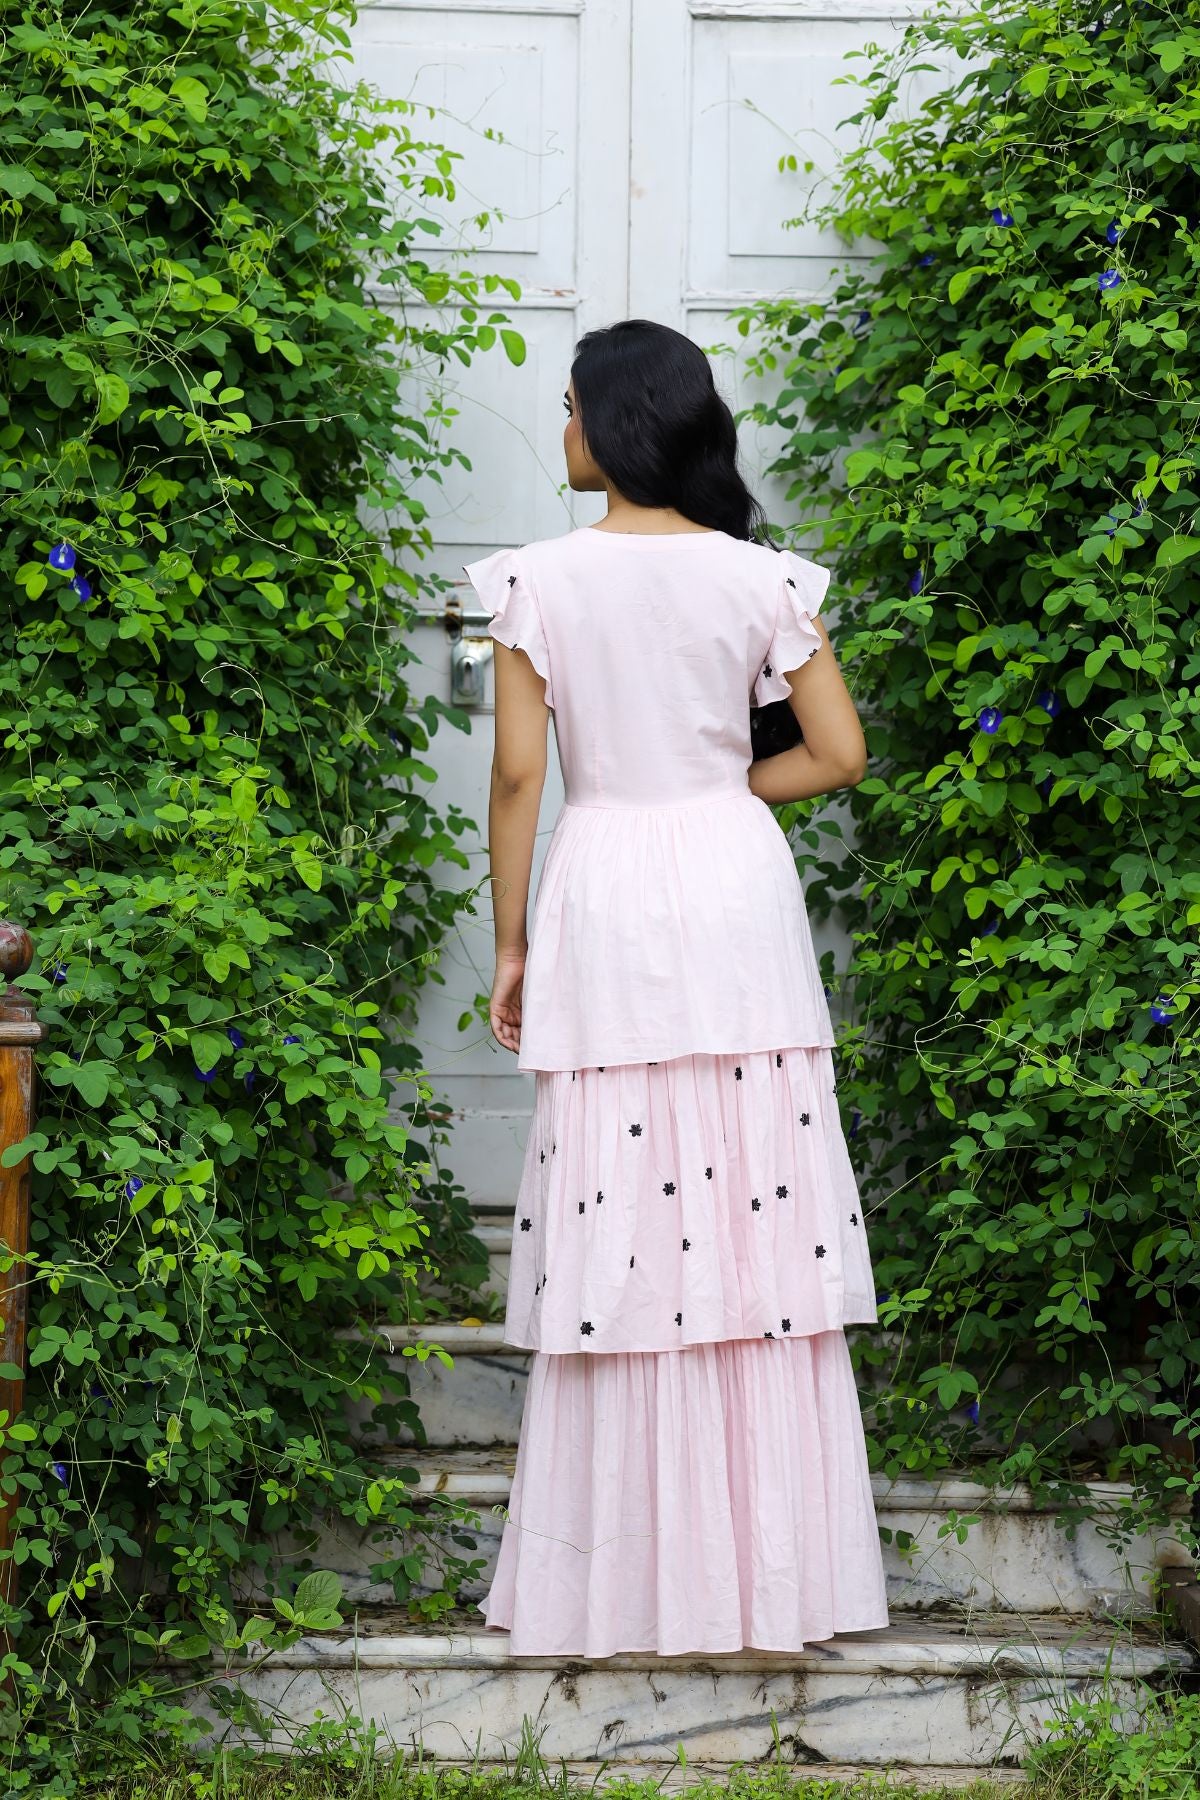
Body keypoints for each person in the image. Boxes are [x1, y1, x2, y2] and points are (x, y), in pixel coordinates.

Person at [460, 318, 889, 1657]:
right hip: (731, 890)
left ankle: (618, 1579)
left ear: (616, 424)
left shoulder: (540, 582)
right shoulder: (764, 581)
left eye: (574, 410)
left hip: (606, 883)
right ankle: (773, 1577)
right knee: (755, 1211)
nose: (565, 431)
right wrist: (725, 785)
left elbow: (524, 777)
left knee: (623, 1205)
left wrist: (513, 939)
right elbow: (840, 753)